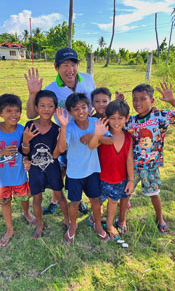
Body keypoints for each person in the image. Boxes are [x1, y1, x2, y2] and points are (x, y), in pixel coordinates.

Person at [25, 47, 95, 215]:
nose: (70, 69)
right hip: (63, 136)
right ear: (56, 67)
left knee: (83, 169)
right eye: (65, 65)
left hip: (86, 135)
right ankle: (55, 199)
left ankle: (78, 201)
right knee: (62, 169)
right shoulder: (51, 89)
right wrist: (33, 93)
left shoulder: (87, 79)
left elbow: (93, 104)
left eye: (73, 64)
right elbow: (31, 113)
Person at [116, 82, 175, 233]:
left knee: (154, 194)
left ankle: (160, 218)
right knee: (125, 193)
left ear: (152, 101)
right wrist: (119, 103)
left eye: (142, 99)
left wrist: (172, 100)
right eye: (135, 99)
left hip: (151, 166)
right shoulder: (131, 120)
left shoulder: (160, 116)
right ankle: (122, 218)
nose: (138, 103)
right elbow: (116, 120)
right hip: (132, 165)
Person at [0, 94, 35, 248]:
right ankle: (9, 230)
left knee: (24, 197)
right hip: (0, 178)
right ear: (0, 113)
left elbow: (26, 150)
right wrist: (1, 152)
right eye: (9, 111)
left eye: (17, 111)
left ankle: (26, 213)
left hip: (18, 175)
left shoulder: (21, 129)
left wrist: (26, 159)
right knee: (5, 202)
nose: (14, 115)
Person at [56, 93, 110, 243]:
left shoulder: (95, 122)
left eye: (83, 107)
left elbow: (111, 139)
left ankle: (98, 225)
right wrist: (64, 127)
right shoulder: (69, 127)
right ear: (70, 112)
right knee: (74, 202)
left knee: (95, 200)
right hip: (74, 173)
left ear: (89, 108)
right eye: (75, 109)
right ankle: (73, 226)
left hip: (93, 170)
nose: (80, 112)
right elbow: (61, 148)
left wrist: (94, 135)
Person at [21, 90, 70, 239]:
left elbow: (56, 154)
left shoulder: (57, 129)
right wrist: (26, 140)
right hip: (35, 169)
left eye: (50, 106)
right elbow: (25, 151)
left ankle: (67, 219)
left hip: (52, 168)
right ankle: (40, 223)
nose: (46, 109)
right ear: (36, 107)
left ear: (55, 108)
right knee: (37, 198)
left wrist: (62, 131)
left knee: (60, 195)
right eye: (42, 105)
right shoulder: (30, 125)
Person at [88, 100, 134, 240]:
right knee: (98, 202)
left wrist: (131, 179)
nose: (116, 121)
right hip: (101, 178)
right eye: (112, 118)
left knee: (113, 202)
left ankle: (109, 225)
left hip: (119, 179)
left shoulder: (128, 137)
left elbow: (129, 159)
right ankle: (94, 217)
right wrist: (97, 135)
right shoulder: (104, 136)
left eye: (120, 118)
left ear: (126, 118)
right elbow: (91, 146)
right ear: (107, 118)